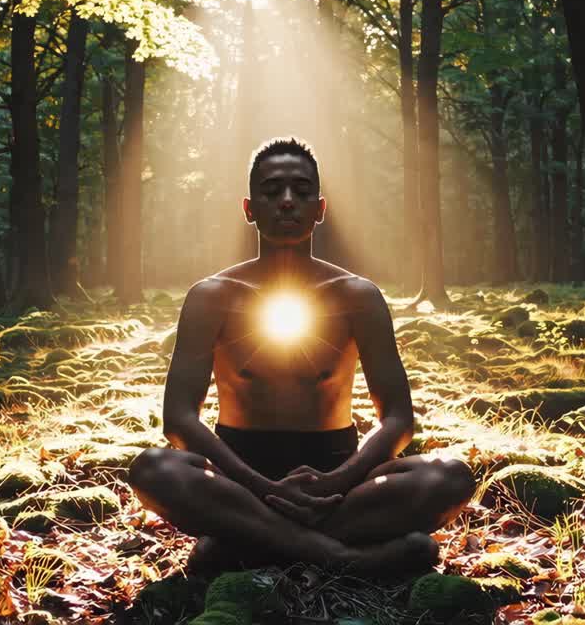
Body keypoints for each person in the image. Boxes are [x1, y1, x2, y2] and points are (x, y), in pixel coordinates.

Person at [127, 137, 476, 576]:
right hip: (239, 479)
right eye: (272, 191)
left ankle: (246, 541)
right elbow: (179, 418)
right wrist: (261, 487)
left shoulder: (358, 296)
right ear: (249, 209)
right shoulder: (210, 297)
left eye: (302, 190)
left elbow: (398, 418)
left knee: (449, 476)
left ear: (320, 208)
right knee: (154, 469)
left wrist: (337, 480)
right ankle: (343, 556)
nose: (288, 201)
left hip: (337, 480)